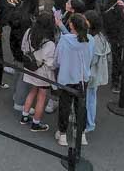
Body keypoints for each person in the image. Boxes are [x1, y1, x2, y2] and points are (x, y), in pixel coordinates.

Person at [54, 13, 94, 147]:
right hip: (82, 78)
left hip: (66, 77)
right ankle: (81, 134)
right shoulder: (90, 39)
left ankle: (63, 134)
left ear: (71, 25)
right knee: (81, 107)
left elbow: (58, 59)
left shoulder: (65, 40)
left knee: (64, 106)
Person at [21, 11, 57, 132]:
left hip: (30, 68)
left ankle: (25, 116)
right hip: (43, 72)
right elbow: (51, 63)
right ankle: (36, 123)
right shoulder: (50, 43)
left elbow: (23, 48)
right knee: (42, 97)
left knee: (32, 91)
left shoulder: (29, 32)